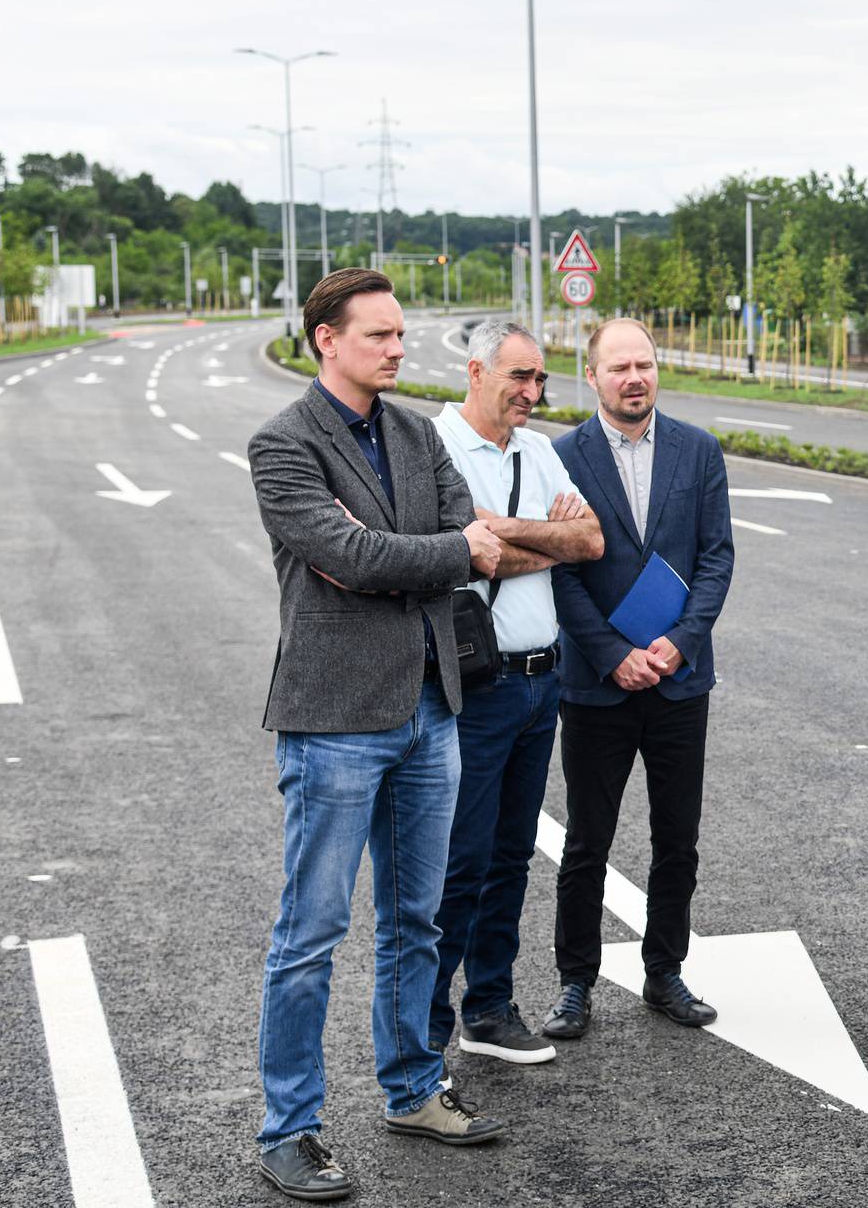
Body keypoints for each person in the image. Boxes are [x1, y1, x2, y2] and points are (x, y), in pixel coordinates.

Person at [247, 268, 506, 1202]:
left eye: (401, 335)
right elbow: (348, 554)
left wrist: (420, 555)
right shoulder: (282, 443)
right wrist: (434, 553)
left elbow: (460, 539)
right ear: (326, 338)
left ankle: (411, 1088)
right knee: (311, 930)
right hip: (333, 721)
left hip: (430, 706)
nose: (399, 349)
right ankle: (290, 1128)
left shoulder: (416, 430)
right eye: (380, 336)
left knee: (417, 920)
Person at [542, 317, 734, 1039]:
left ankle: (664, 972)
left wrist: (679, 645)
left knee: (676, 838)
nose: (635, 377)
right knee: (587, 839)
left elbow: (717, 557)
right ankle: (574, 983)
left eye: (645, 364)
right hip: (596, 684)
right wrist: (609, 651)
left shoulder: (699, 450)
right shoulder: (559, 458)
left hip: (679, 681)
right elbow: (556, 571)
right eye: (619, 366)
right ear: (590, 375)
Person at [427, 320, 603, 1067]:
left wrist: (502, 531)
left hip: (542, 683)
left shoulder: (539, 449)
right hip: (478, 686)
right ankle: (425, 1023)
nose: (532, 392)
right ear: (476, 371)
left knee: (510, 855)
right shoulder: (435, 449)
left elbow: (590, 540)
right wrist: (529, 541)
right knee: (458, 858)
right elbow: (471, 554)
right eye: (519, 377)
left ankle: (490, 1008)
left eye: (541, 379)